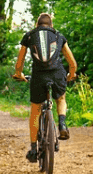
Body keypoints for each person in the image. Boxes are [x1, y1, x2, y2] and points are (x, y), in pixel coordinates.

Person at [12, 13, 78, 163]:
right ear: (51, 25)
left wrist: (18, 74)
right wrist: (71, 74)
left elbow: (20, 61)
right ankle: (62, 123)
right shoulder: (58, 35)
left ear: (37, 25)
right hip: (57, 74)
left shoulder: (29, 36)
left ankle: (34, 149)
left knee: (35, 109)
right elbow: (72, 62)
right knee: (61, 98)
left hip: (38, 76)